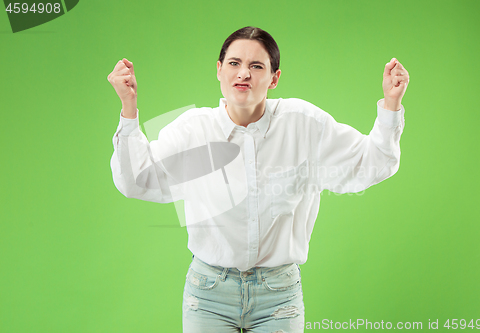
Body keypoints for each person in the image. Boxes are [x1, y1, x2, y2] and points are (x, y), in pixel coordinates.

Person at [108, 26, 409, 333]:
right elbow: (137, 180)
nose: (243, 74)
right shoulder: (194, 130)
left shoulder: (303, 123)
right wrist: (128, 109)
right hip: (209, 294)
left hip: (279, 296)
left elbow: (371, 163)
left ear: (274, 78)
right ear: (219, 70)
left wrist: (391, 105)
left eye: (256, 66)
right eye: (234, 64)